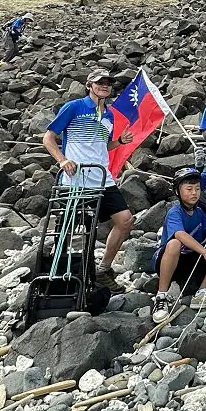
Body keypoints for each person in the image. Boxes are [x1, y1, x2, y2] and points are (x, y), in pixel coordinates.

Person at [43, 67, 135, 293]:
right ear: (89, 85)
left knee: (125, 220)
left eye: (108, 83)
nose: (104, 86)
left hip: (102, 177)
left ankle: (103, 269)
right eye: (99, 82)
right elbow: (48, 137)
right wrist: (62, 161)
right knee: (67, 230)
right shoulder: (74, 107)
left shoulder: (110, 114)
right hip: (76, 180)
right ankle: (60, 278)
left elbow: (102, 145)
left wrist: (120, 142)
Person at [151, 169, 206, 322]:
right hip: (169, 261)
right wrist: (205, 252)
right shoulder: (175, 212)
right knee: (174, 243)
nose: (194, 193)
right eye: (189, 189)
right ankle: (161, 297)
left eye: (197, 189)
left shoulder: (198, 212)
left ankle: (202, 293)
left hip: (190, 260)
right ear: (178, 192)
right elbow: (179, 234)